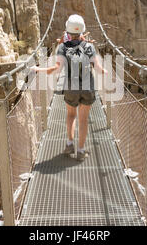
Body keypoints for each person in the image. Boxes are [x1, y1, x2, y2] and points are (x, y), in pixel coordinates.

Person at [32, 14, 107, 161]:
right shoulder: (90, 47)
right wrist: (105, 71)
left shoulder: (62, 48)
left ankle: (69, 143)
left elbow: (54, 69)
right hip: (88, 88)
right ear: (82, 31)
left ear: (68, 30)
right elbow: (98, 69)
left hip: (70, 88)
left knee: (71, 115)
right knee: (83, 119)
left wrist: (37, 69)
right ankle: (80, 151)